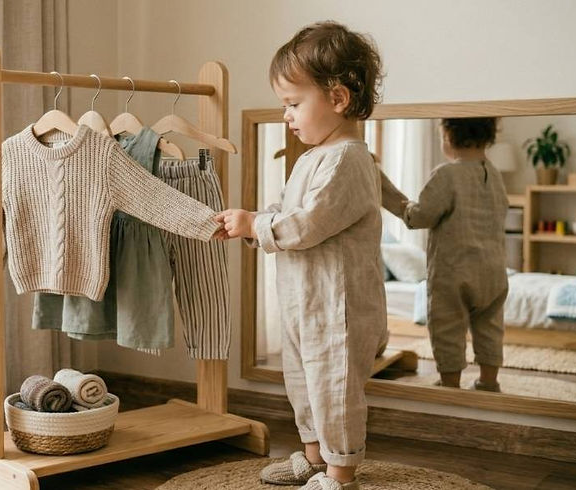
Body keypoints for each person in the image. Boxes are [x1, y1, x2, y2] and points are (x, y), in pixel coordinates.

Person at [216, 21, 387, 490]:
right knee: (304, 384)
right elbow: (293, 213)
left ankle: (340, 472)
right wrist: (255, 219)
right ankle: (313, 457)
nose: (286, 115)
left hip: (337, 308)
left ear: (337, 99)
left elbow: (310, 224)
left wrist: (258, 225)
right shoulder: (313, 156)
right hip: (303, 301)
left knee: (334, 389)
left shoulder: (349, 159)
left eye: (293, 104)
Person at [381, 117, 508, 392]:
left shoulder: (447, 175)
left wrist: (389, 195)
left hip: (455, 271)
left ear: (448, 135)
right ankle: (488, 380)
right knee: (490, 326)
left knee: (447, 326)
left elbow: (419, 217)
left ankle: (450, 384)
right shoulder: (494, 174)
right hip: (494, 272)